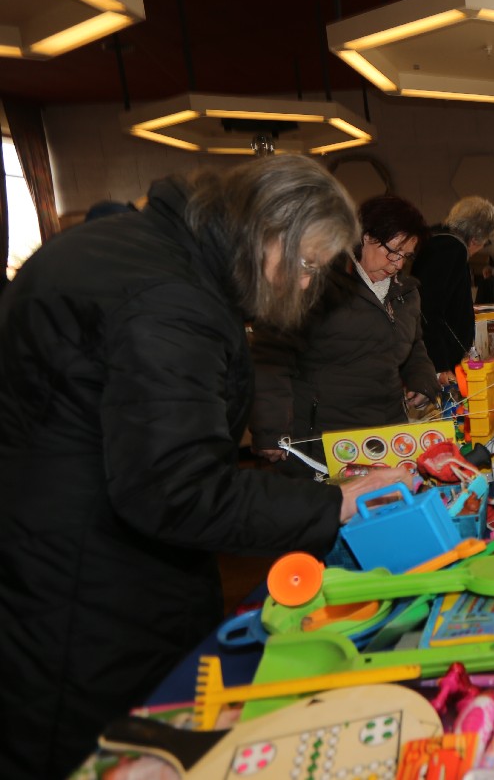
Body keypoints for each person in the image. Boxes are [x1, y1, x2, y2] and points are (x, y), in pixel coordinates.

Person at [0, 155, 408, 778]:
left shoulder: (142, 246)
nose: (305, 288)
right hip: (85, 592)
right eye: (307, 266)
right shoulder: (171, 299)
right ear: (270, 234)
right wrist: (336, 501)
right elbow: (178, 488)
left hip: (59, 548)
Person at [250, 194, 442, 471]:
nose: (398, 264)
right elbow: (271, 357)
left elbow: (414, 344)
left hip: (385, 436)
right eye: (393, 251)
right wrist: (271, 428)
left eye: (406, 256)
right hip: (324, 440)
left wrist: (422, 379)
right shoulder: (316, 284)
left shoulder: (406, 293)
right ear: (366, 237)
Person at [412, 196, 494, 384]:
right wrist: (440, 365)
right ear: (476, 238)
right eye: (486, 241)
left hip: (436, 356)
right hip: (439, 363)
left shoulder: (437, 241)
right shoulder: (451, 249)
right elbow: (429, 309)